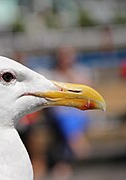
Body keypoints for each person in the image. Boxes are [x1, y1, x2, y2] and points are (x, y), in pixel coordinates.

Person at [45, 46, 91, 179]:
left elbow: (87, 90)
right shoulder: (52, 74)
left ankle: (66, 159)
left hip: (77, 112)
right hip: (59, 112)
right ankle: (75, 141)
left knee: (72, 119)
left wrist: (70, 74)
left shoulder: (80, 71)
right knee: (64, 119)